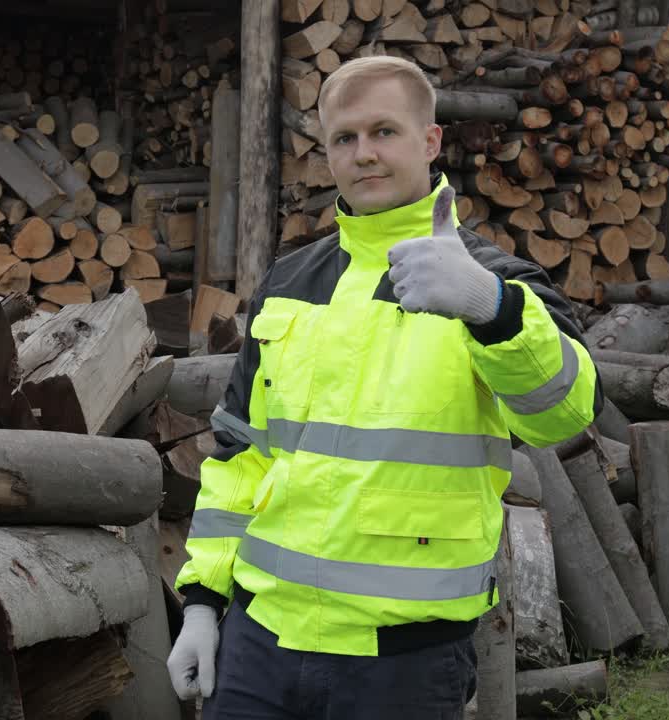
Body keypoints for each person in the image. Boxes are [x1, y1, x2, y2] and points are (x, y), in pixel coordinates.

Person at [166, 55, 602, 719]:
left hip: (404, 661)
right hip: (260, 642)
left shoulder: (495, 282)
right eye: (344, 137)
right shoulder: (290, 280)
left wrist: (491, 308)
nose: (363, 153)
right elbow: (241, 453)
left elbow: (562, 414)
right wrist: (202, 602)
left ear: (430, 141)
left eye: (384, 131)